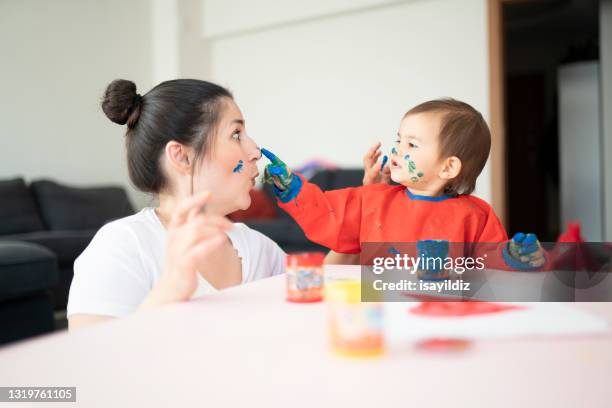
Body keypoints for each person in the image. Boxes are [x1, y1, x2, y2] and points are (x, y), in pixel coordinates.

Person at [67, 79, 285, 329]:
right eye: (236, 134)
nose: (256, 151)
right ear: (182, 156)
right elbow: (88, 360)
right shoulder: (122, 245)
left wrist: (341, 237)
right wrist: (170, 289)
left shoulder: (257, 247)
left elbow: (316, 291)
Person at [261, 98, 546, 269]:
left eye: (411, 144)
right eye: (399, 140)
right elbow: (327, 212)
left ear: (448, 167)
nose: (397, 149)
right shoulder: (374, 199)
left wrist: (513, 258)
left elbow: (489, 265)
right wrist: (293, 188)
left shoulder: (476, 215)